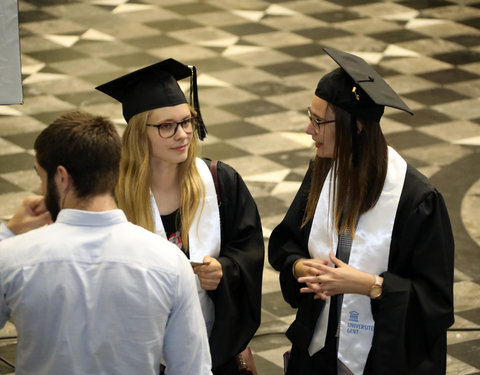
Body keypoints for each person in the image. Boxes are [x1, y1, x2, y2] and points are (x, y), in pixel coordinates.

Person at [268, 48, 454, 375]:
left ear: (356, 127)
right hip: (318, 353)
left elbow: (435, 304)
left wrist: (370, 285)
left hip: (385, 360)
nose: (308, 130)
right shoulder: (323, 174)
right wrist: (300, 268)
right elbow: (286, 244)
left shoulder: (416, 201)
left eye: (317, 121)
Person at [0, 111, 212, 375]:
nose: (42, 191)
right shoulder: (169, 261)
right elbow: (192, 369)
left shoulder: (13, 258)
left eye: (42, 178)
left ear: (62, 178)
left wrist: (7, 235)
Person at [96, 59, 264, 374]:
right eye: (166, 126)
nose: (183, 134)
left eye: (187, 121)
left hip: (212, 345)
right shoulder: (112, 194)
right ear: (137, 133)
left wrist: (224, 271)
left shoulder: (219, 181)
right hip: (136, 350)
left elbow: (249, 249)